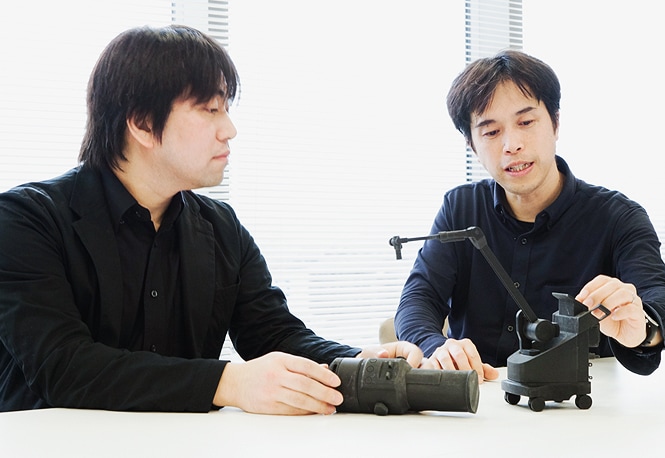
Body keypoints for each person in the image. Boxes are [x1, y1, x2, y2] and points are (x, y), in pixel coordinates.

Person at [0, 25, 421, 414]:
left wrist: (354, 360)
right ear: (143, 124)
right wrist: (229, 382)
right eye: (210, 109)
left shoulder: (221, 228)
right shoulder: (26, 220)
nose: (230, 129)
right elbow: (64, 367)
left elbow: (273, 335)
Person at [395, 50, 665, 380]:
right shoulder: (460, 208)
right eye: (491, 132)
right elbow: (419, 299)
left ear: (555, 123)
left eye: (526, 122)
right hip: (479, 404)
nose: (511, 144)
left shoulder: (617, 217)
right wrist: (437, 347)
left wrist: (643, 328)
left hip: (578, 409)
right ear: (471, 145)